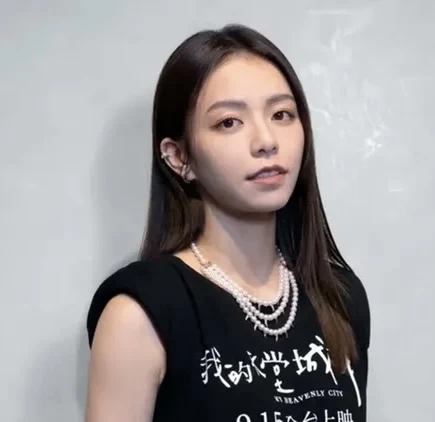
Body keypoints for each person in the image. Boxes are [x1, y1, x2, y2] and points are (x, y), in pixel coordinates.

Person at [85, 23, 371, 422]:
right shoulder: (140, 314)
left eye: (282, 114)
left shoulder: (340, 296)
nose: (266, 140)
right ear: (179, 158)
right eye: (229, 122)